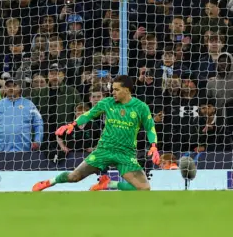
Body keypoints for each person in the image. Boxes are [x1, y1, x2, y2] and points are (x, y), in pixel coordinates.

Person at [32, 75, 160, 192]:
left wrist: (153, 146)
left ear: (126, 90)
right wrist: (72, 124)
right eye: (112, 89)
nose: (113, 92)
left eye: (116, 89)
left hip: (125, 154)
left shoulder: (141, 107)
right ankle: (49, 182)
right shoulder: (107, 103)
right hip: (103, 151)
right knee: (74, 176)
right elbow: (88, 115)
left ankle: (110, 184)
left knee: (144, 188)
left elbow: (150, 128)